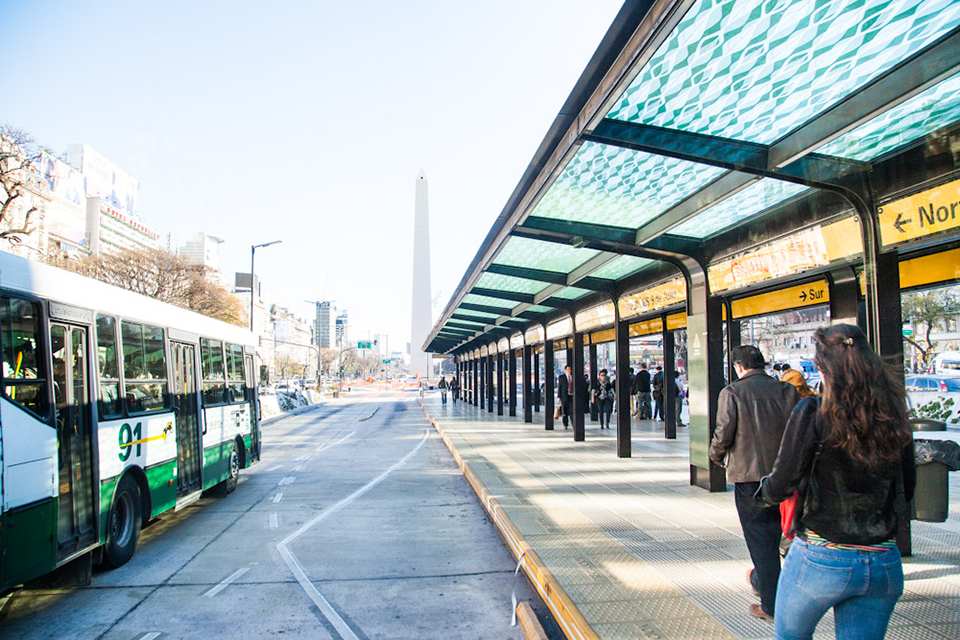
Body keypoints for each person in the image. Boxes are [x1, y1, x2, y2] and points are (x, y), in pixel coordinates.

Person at [759, 325, 915, 637]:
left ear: (822, 367)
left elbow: (782, 483)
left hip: (822, 556)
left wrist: (764, 490)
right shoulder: (894, 414)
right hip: (883, 560)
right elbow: (907, 489)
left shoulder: (814, 412)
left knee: (790, 635)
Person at [709, 345, 800, 621]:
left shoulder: (732, 392)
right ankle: (767, 582)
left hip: (749, 478)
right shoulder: (787, 391)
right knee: (785, 533)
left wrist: (715, 455)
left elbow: (724, 433)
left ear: (738, 366)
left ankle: (771, 605)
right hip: (784, 475)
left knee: (761, 539)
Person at [557, 364, 574, 429]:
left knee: (572, 410)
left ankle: (573, 423)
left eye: (570, 369)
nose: (569, 371)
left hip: (571, 396)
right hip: (564, 396)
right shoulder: (562, 377)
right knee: (565, 411)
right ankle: (565, 424)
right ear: (565, 370)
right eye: (568, 369)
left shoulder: (573, 377)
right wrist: (559, 397)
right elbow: (560, 387)